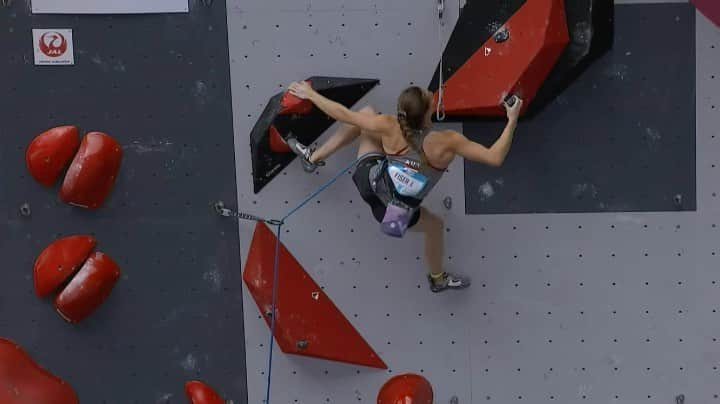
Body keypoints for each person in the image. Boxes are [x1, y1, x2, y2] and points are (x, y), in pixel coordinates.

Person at [285, 81, 522, 293]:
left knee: (365, 114)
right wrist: (512, 120)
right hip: (391, 217)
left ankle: (312, 158)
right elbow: (494, 157)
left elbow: (344, 114)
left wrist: (311, 95)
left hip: (367, 181)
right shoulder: (447, 142)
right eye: (428, 98)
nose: (430, 93)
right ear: (428, 112)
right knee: (435, 227)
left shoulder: (389, 125)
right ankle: (437, 279)